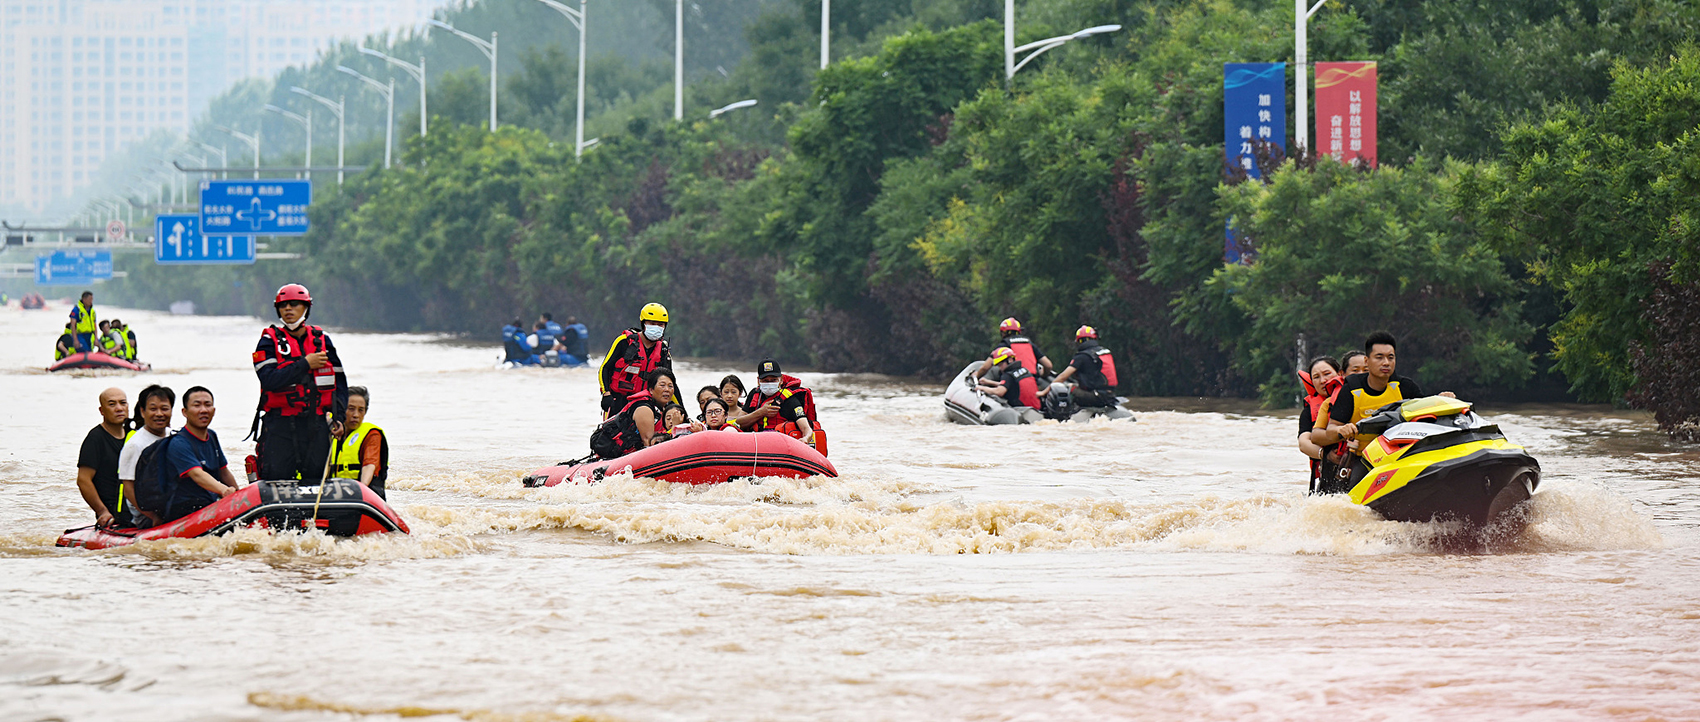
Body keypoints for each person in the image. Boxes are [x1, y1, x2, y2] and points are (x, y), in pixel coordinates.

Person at [1308, 331, 1454, 492]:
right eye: (1379, 357)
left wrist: (1442, 399)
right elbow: (1330, 430)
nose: (1386, 363)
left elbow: (1427, 414)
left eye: (1390, 358)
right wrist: (1341, 430)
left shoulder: (1405, 386)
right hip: (1363, 458)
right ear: (1367, 360)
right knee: (1353, 493)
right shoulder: (1350, 390)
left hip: (1399, 455)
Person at [251, 283, 348, 482]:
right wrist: (305, 363)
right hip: (280, 426)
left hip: (316, 426)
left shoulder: (322, 341)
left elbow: (339, 384)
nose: (288, 309)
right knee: (277, 480)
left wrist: (339, 417)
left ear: (306, 308)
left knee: (316, 480)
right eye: (283, 305)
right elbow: (269, 380)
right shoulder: (268, 342)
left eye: (294, 304)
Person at [162, 387, 240, 522]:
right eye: (197, 405)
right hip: (185, 510)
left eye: (208, 405)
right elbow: (197, 474)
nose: (203, 410)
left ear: (214, 411)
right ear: (184, 412)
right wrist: (224, 491)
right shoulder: (178, 443)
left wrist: (240, 496)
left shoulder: (212, 435)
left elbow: (224, 472)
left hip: (210, 503)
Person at [598, 303, 672, 417]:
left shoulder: (663, 350)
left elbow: (670, 382)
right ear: (643, 324)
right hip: (619, 401)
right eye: (652, 323)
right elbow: (605, 368)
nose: (656, 327)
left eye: (660, 325)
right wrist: (606, 393)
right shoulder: (624, 342)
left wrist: (677, 408)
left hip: (647, 404)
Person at [736, 360, 825, 452]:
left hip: (780, 447)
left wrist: (805, 439)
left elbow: (806, 429)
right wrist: (761, 412)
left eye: (773, 380)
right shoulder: (754, 395)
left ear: (781, 380)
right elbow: (739, 422)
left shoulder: (790, 400)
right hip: (756, 444)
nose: (769, 383)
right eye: (765, 381)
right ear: (758, 381)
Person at [119, 384, 175, 527]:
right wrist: (152, 515)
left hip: (170, 502)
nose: (159, 414)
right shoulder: (135, 445)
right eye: (153, 409)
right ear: (143, 412)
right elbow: (128, 488)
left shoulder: (174, 437)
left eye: (164, 409)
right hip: (145, 515)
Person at [590, 368, 674, 459]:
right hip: (613, 452)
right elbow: (648, 443)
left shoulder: (664, 408)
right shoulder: (644, 408)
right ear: (651, 390)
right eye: (662, 385)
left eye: (670, 386)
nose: (667, 390)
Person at [76, 388, 129, 527]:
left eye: (123, 403)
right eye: (112, 404)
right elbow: (83, 480)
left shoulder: (135, 435)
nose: (119, 408)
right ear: (102, 411)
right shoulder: (95, 439)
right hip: (113, 515)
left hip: (136, 510)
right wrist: (102, 511)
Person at [1296, 356, 1345, 492]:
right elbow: (1303, 443)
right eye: (1316, 377)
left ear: (1340, 374)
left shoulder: (1355, 398)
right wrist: (1325, 455)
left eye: (1327, 374)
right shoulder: (1308, 411)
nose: (1323, 380)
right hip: (1329, 472)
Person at [330, 386, 389, 499]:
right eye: (351, 409)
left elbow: (369, 465)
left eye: (360, 410)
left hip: (365, 494)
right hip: (335, 494)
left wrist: (362, 490)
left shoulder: (371, 435)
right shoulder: (331, 433)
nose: (356, 415)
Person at [1051, 326, 1119, 411]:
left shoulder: (1082, 356)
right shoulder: (1104, 352)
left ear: (1080, 341)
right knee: (1075, 385)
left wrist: (1045, 391)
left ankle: (1065, 412)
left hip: (1096, 397)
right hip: (1110, 396)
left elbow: (1062, 377)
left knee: (1067, 387)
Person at [977, 347, 1044, 423]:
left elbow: (1000, 392)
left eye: (1001, 364)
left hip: (1022, 411)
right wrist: (989, 382)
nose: (1000, 368)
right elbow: (1009, 385)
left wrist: (981, 388)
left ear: (1010, 360)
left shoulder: (1007, 375)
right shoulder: (1025, 370)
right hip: (1037, 410)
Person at [975, 317, 1053, 380]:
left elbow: (985, 367)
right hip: (1033, 380)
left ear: (1003, 333)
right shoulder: (1029, 344)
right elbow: (1048, 365)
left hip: (1013, 382)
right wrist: (1043, 375)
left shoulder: (1003, 345)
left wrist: (976, 376)